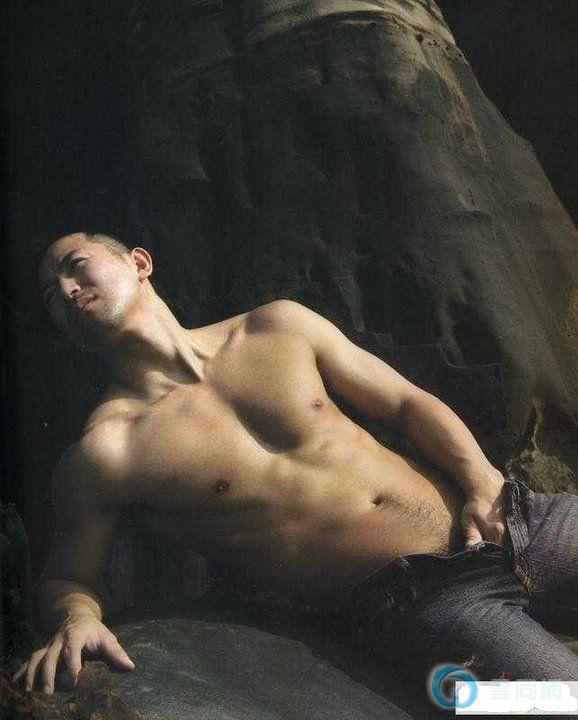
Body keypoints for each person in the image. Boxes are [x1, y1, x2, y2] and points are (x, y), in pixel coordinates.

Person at [13, 231, 578, 695]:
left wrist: (482, 479)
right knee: (558, 703)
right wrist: (77, 617)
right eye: (49, 295)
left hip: (512, 518)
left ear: (139, 263)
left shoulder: (275, 326)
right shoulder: (106, 451)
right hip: (426, 607)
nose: (65, 289)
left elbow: (406, 403)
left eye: (74, 265)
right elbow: (67, 577)